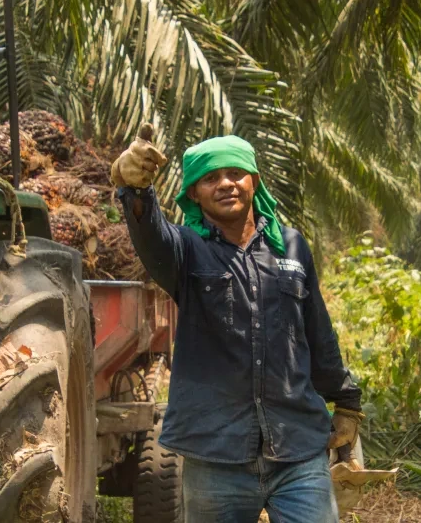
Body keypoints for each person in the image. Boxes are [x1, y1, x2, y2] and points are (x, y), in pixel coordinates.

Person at [110, 127, 363, 522]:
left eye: (235, 173)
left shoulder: (291, 246)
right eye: (210, 178)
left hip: (296, 450)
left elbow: (317, 331)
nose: (225, 184)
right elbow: (151, 236)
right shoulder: (185, 250)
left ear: (254, 181)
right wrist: (136, 191)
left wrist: (346, 402)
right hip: (216, 456)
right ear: (193, 193)